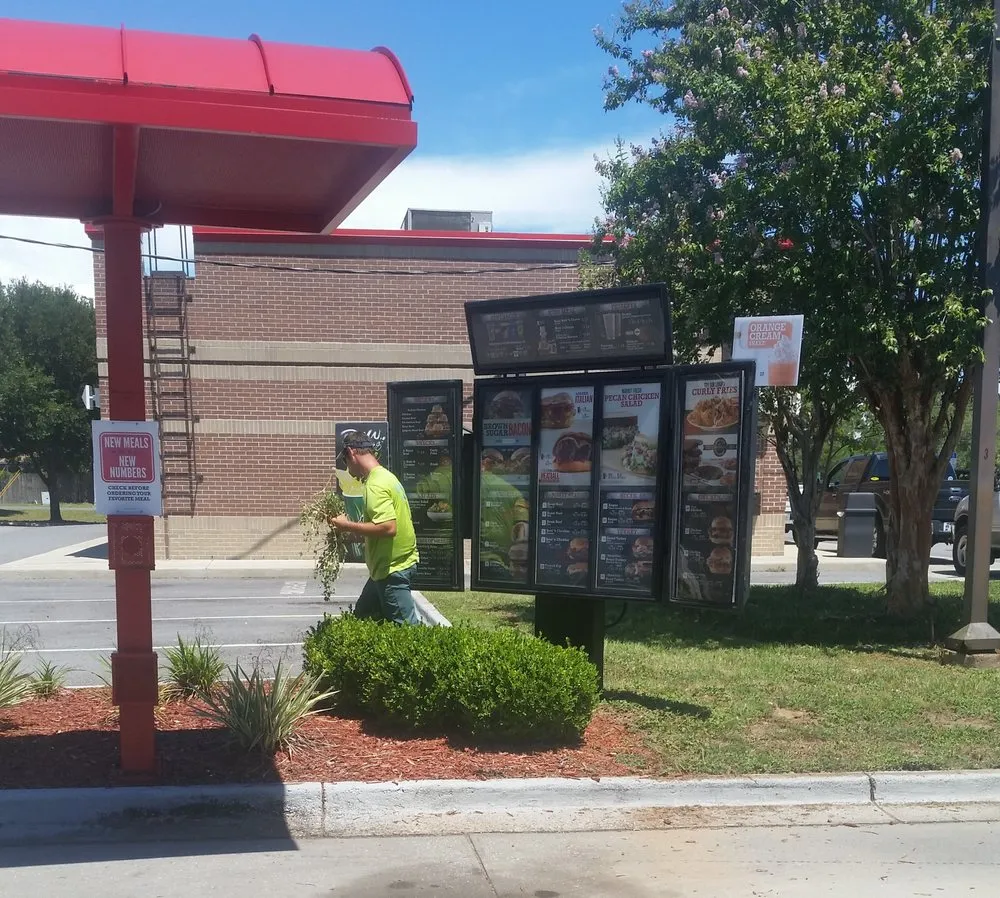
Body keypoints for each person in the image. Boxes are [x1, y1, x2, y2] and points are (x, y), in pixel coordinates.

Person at [329, 432, 421, 624]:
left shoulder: (375, 484)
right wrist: (350, 535)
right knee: (364, 617)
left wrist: (347, 525)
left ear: (352, 452)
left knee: (408, 631)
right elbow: (383, 528)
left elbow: (388, 528)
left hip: (392, 570)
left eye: (345, 460)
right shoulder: (386, 477)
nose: (347, 467)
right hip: (386, 568)